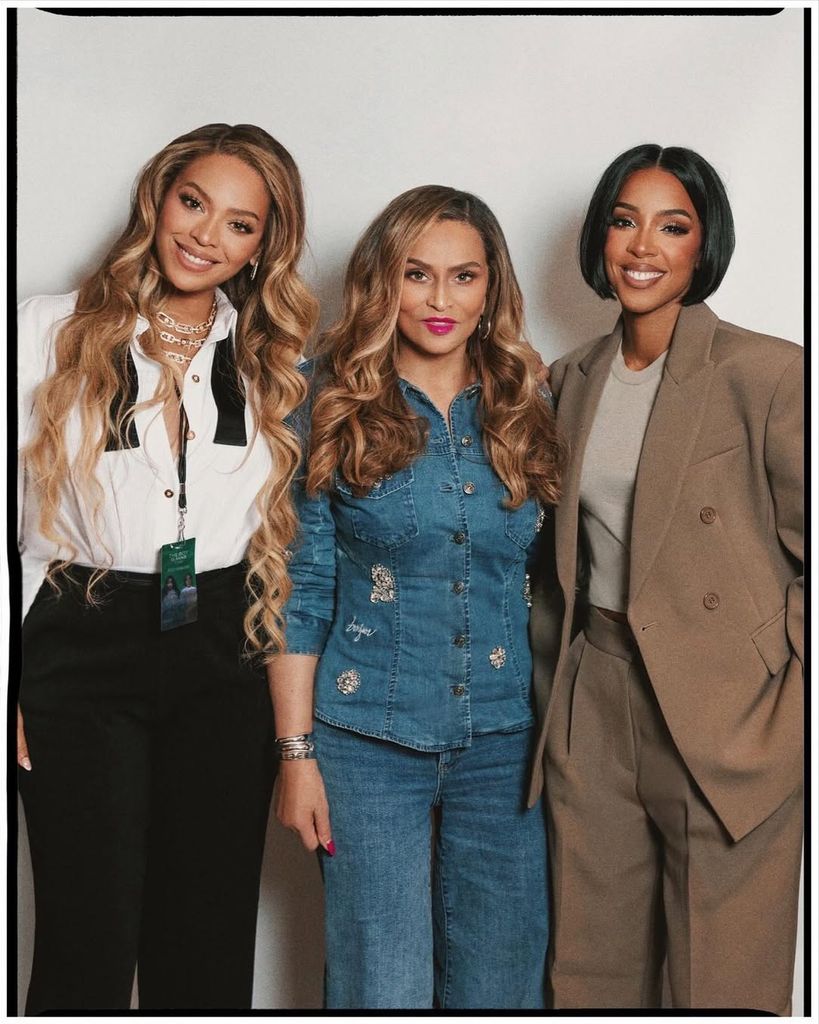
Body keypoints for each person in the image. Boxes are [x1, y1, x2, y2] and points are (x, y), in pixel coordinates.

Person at [16, 123, 317, 1012]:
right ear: (158, 199)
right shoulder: (45, 329)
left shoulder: (275, 359)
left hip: (223, 644)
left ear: (263, 246)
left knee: (208, 940)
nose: (205, 235)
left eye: (239, 224)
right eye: (193, 203)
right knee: (85, 938)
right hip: (81, 636)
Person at [269, 185, 565, 1009]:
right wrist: (295, 756)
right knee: (381, 989)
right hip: (365, 743)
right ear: (382, 281)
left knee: (502, 988)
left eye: (463, 276)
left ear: (491, 287)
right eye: (417, 273)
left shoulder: (528, 402)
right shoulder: (323, 400)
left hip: (506, 743)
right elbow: (300, 589)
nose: (440, 299)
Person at [528, 144, 803, 1012]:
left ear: (702, 243)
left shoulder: (768, 374)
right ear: (600, 238)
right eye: (624, 221)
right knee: (590, 975)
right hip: (597, 697)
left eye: (671, 226)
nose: (642, 246)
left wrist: (790, 705)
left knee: (721, 984)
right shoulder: (569, 380)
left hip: (728, 714)